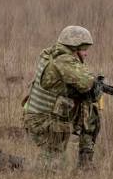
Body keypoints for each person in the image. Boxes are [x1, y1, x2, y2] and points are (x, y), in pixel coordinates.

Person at [22, 25, 103, 169]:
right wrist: (97, 87)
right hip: (43, 122)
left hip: (40, 118)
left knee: (90, 111)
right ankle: (8, 163)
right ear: (74, 48)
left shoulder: (53, 54)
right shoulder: (64, 60)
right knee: (56, 166)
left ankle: (85, 164)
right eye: (84, 49)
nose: (86, 54)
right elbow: (87, 84)